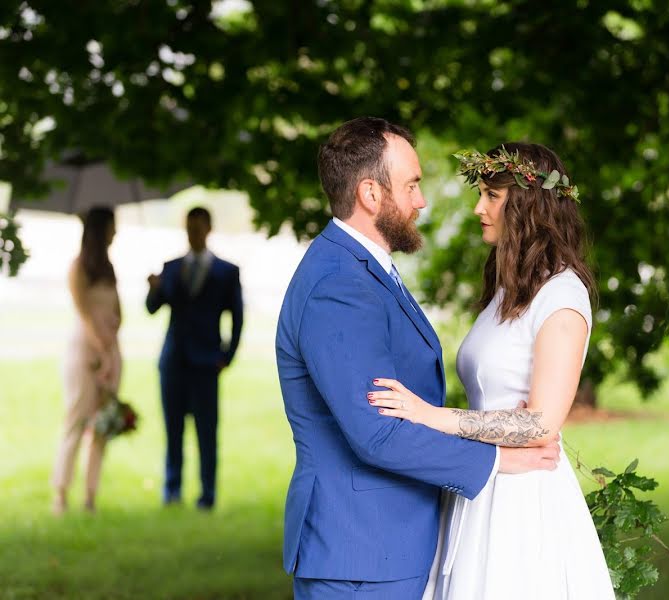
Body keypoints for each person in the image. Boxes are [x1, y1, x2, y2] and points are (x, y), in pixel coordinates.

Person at [276, 117, 563, 600]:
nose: (421, 200)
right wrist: (497, 461)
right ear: (371, 194)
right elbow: (377, 432)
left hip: (386, 545)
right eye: (411, 185)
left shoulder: (363, 269)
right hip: (361, 553)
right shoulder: (339, 285)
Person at [367, 143, 617, 598]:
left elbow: (540, 424)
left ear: (528, 206)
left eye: (491, 196)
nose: (478, 208)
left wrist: (430, 415)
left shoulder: (562, 296)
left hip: (524, 498)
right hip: (483, 479)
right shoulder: (509, 287)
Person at [146, 207, 243, 511]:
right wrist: (154, 288)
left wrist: (226, 357)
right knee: (173, 430)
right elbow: (152, 307)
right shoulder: (171, 267)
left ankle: (207, 494)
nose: (193, 233)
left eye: (198, 228)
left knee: (206, 432)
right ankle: (171, 490)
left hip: (206, 364)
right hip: (173, 361)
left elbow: (238, 319)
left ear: (208, 229)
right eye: (189, 228)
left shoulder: (226, 272)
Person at [52, 206, 122, 515]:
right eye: (111, 227)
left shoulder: (109, 269)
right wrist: (101, 347)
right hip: (85, 351)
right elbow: (83, 313)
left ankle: (90, 495)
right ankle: (61, 492)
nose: (115, 233)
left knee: (102, 426)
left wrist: (111, 347)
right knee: (76, 419)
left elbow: (119, 313)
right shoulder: (78, 268)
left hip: (111, 350)